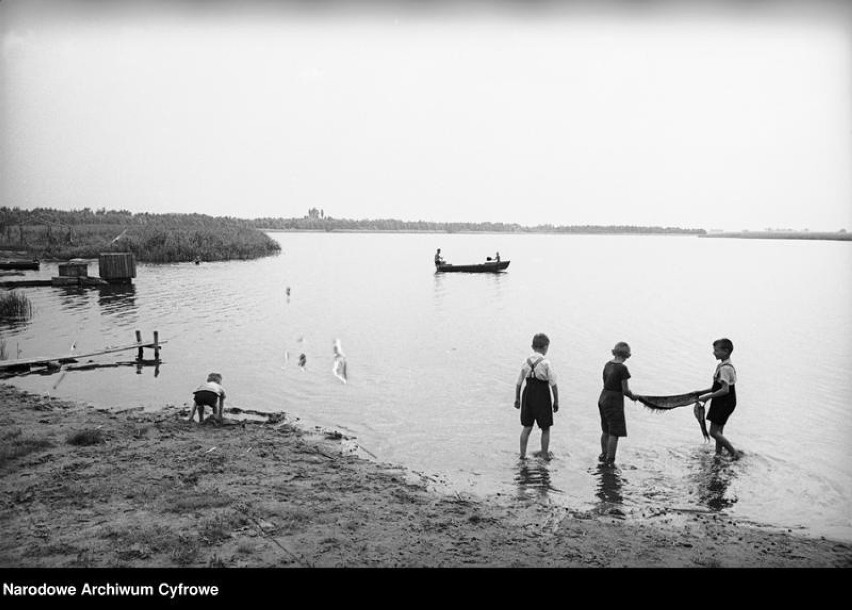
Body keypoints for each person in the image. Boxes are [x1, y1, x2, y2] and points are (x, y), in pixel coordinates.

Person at [514, 333, 559, 460]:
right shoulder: (545, 363)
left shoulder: (525, 361)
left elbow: (518, 383)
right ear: (545, 347)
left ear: (532, 346)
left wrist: (517, 398)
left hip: (527, 393)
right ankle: (544, 454)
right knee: (545, 427)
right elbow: (553, 384)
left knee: (527, 427)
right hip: (542, 395)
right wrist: (556, 401)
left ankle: (522, 455)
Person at [696, 338, 742, 459]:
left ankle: (734, 453)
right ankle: (718, 453)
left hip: (724, 402)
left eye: (716, 350)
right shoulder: (723, 365)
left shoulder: (725, 368)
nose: (713, 353)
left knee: (713, 432)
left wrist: (707, 397)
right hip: (724, 401)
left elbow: (725, 390)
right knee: (718, 430)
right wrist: (701, 393)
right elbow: (716, 387)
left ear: (725, 351)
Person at [598, 342, 636, 467]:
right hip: (614, 400)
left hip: (603, 397)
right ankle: (610, 460)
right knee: (614, 432)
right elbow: (625, 390)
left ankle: (603, 454)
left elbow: (606, 381)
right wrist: (633, 396)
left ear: (615, 352)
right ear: (626, 355)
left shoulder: (608, 364)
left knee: (605, 430)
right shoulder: (622, 368)